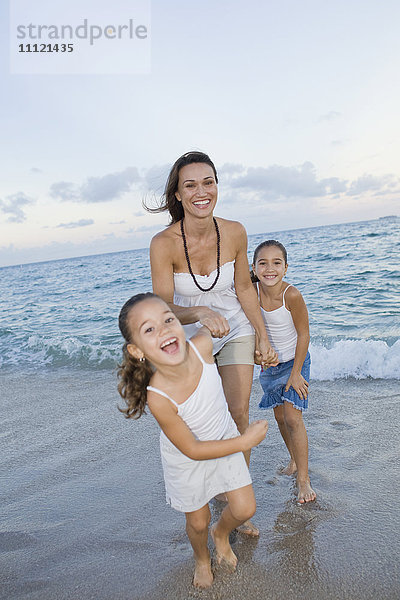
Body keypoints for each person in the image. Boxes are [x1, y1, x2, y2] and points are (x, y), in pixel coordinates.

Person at [147, 152, 277, 535]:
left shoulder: (235, 231)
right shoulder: (163, 244)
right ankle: (205, 496)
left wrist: (263, 337)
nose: (201, 192)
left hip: (236, 326)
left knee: (238, 412)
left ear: (217, 186)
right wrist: (199, 312)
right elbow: (162, 307)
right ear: (177, 194)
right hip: (189, 340)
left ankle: (239, 501)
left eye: (208, 182)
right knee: (201, 422)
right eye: (190, 185)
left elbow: (243, 289)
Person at [117, 292, 269, 589]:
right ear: (137, 351)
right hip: (187, 460)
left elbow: (208, 323)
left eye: (168, 320)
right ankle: (201, 558)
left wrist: (205, 315)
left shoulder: (201, 346)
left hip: (222, 437)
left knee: (244, 509)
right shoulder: (158, 397)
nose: (163, 330)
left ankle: (221, 533)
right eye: (149, 329)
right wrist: (245, 440)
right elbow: (193, 449)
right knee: (197, 522)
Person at [252, 240, 316, 504]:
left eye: (276, 263)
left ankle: (304, 479)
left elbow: (304, 334)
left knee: (292, 418)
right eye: (263, 263)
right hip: (271, 367)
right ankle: (293, 458)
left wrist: (296, 373)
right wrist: (256, 355)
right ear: (254, 268)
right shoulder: (252, 294)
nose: (270, 269)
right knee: (279, 418)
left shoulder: (291, 295)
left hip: (296, 364)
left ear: (286, 267)